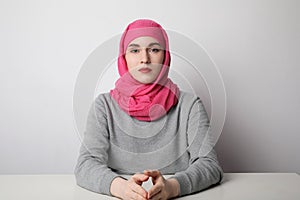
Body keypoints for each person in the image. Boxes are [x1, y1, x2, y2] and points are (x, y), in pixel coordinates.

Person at [75, 19, 223, 200]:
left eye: (154, 49)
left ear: (165, 56)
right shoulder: (104, 106)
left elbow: (210, 165)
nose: (144, 59)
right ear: (124, 58)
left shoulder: (189, 105)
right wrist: (122, 188)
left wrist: (172, 188)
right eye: (135, 50)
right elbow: (85, 165)